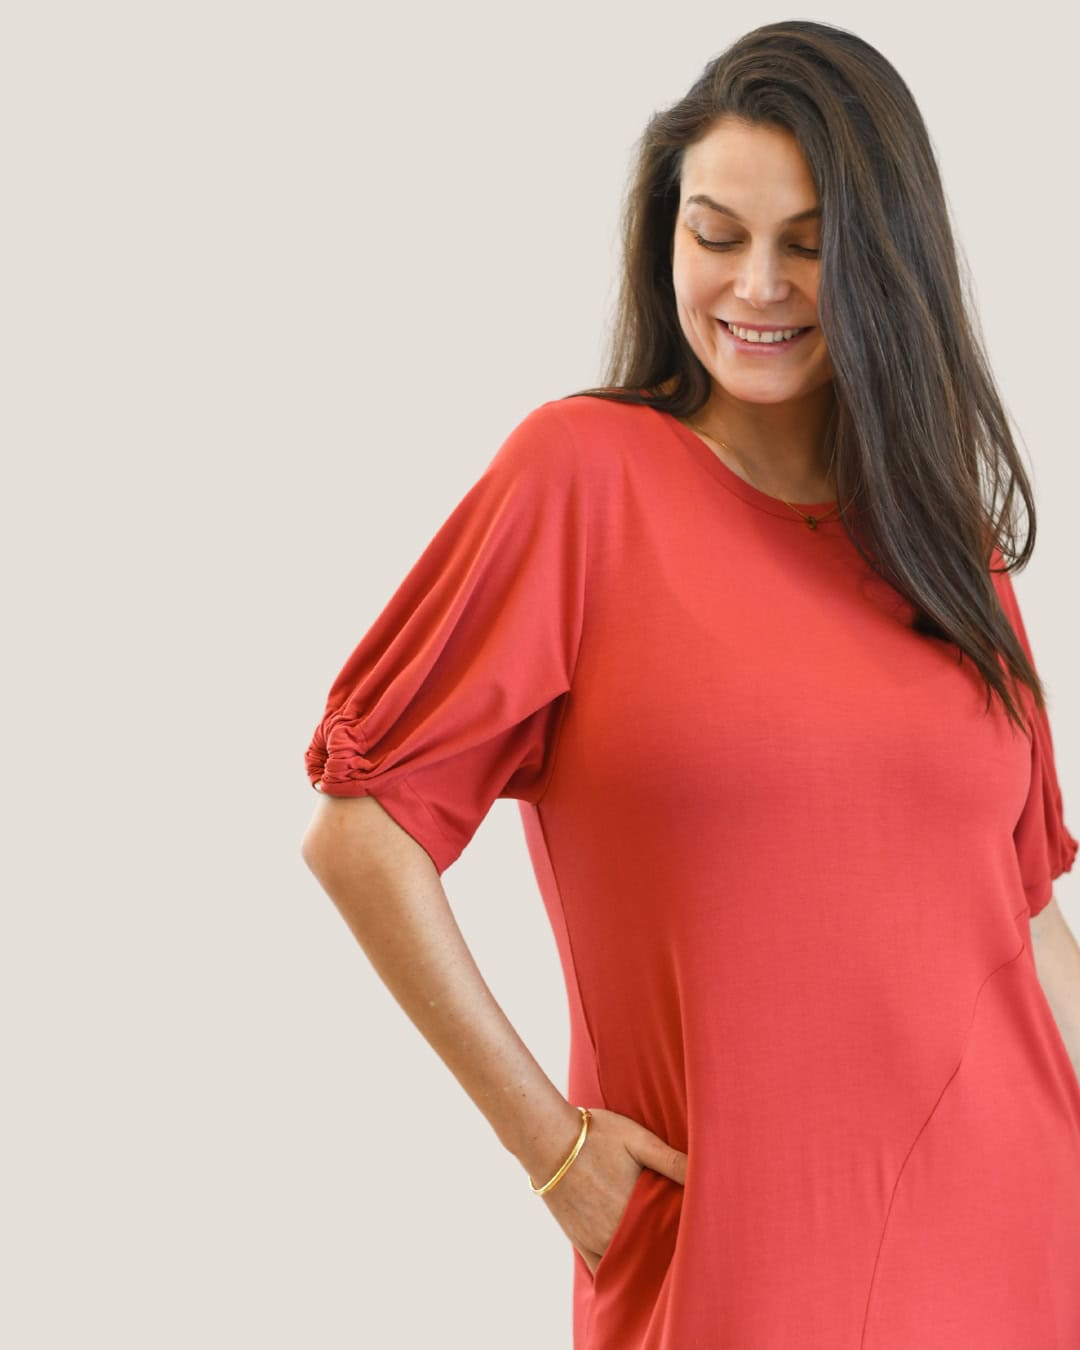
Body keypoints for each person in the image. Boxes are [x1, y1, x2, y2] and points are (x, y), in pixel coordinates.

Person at [300, 19, 1080, 1348]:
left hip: (1024, 1246)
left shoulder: (947, 547)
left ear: (887, 263)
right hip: (736, 1272)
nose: (756, 285)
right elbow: (361, 830)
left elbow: (1023, 921)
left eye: (809, 245)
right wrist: (549, 1146)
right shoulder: (582, 481)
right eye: (717, 234)